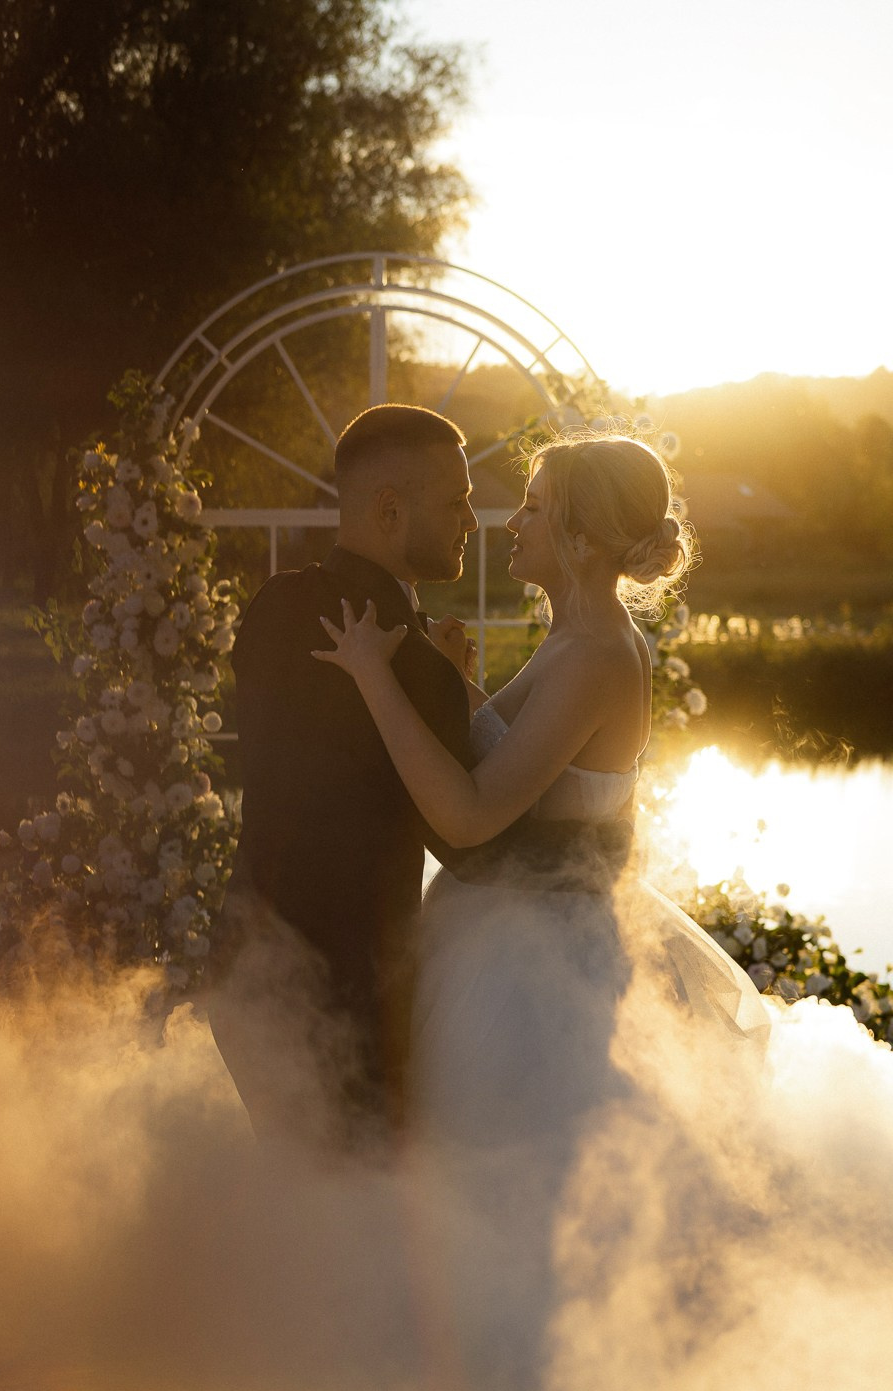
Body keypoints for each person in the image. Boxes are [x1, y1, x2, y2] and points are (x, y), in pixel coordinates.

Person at [313, 431, 768, 1156]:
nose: (508, 523)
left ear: (581, 540)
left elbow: (469, 815)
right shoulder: (575, 641)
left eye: (532, 507)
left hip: (535, 967)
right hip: (504, 927)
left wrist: (373, 676)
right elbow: (525, 756)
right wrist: (456, 681)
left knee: (499, 1173)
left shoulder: (595, 657)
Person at [207, 404, 481, 1147]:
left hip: (249, 974)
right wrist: (450, 686)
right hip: (348, 1004)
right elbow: (463, 844)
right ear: (390, 510)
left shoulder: (272, 609)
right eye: (456, 500)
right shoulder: (416, 669)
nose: (473, 521)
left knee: (300, 1219)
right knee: (361, 1231)